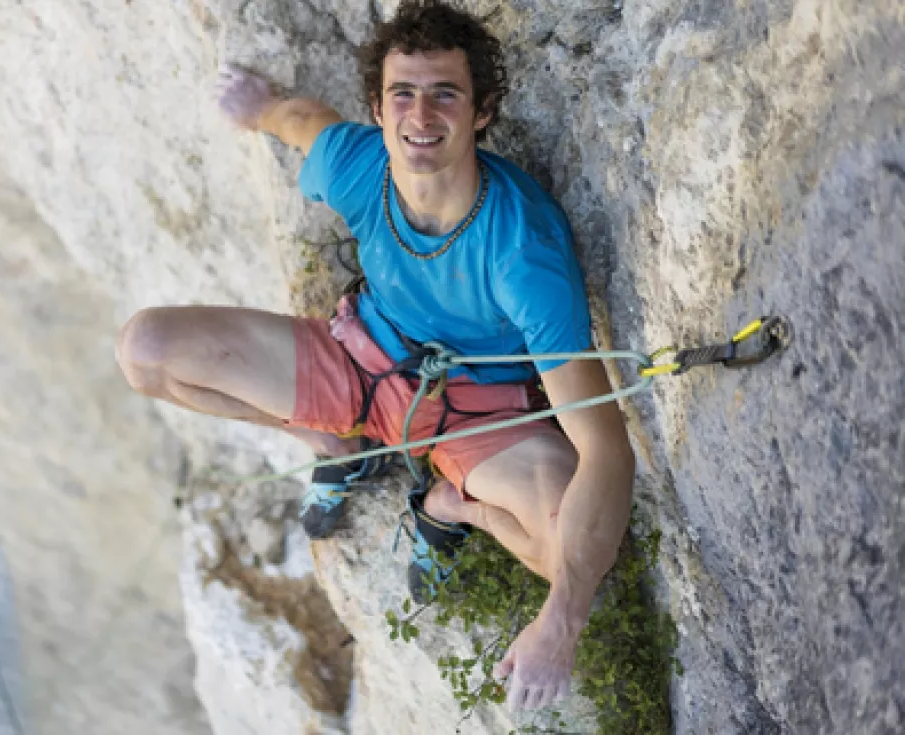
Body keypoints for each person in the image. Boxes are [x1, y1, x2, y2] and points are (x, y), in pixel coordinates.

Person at [115, 0, 635, 714]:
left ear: (482, 113)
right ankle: (330, 442)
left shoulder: (522, 250)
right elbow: (304, 125)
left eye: (445, 93)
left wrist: (561, 625)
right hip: (359, 363)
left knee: (571, 556)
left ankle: (455, 506)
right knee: (144, 352)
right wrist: (259, 107)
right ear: (379, 108)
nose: (421, 115)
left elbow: (603, 445)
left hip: (475, 416)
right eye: (403, 94)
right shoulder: (363, 167)